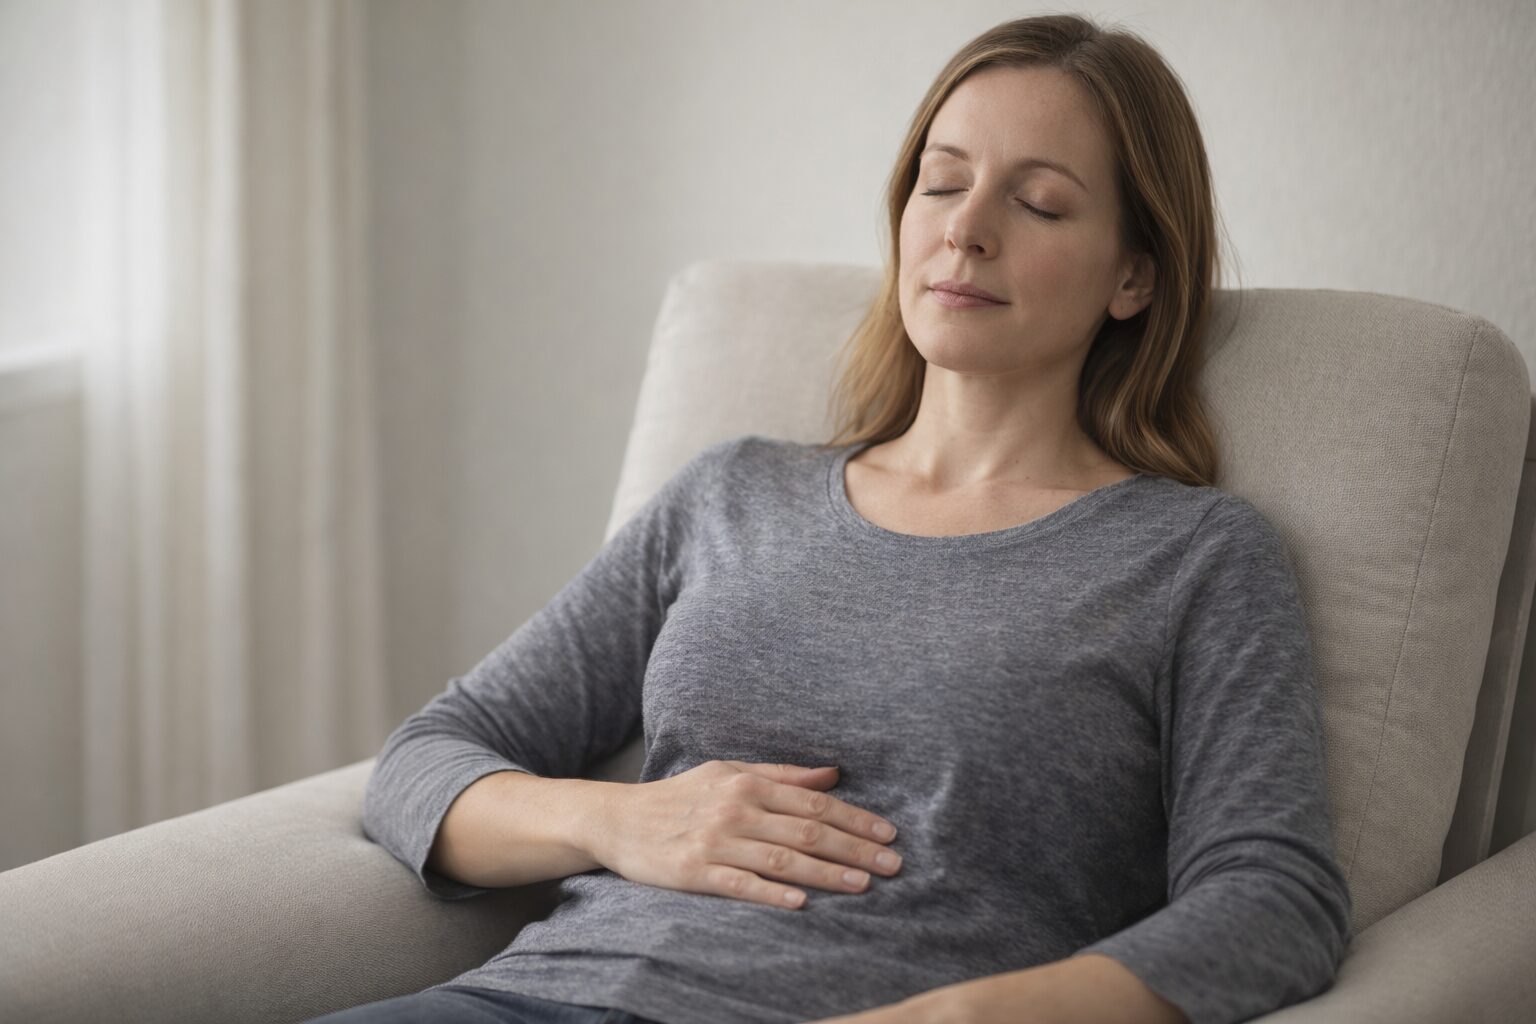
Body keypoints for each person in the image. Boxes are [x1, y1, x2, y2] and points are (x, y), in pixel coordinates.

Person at [306, 12, 1352, 1024]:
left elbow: (1274, 899)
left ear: (1136, 273)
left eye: (1037, 203)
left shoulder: (1195, 557)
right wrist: (624, 820)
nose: (965, 228)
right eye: (941, 182)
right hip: (529, 998)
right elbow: (428, 757)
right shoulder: (730, 495)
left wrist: (968, 1015)